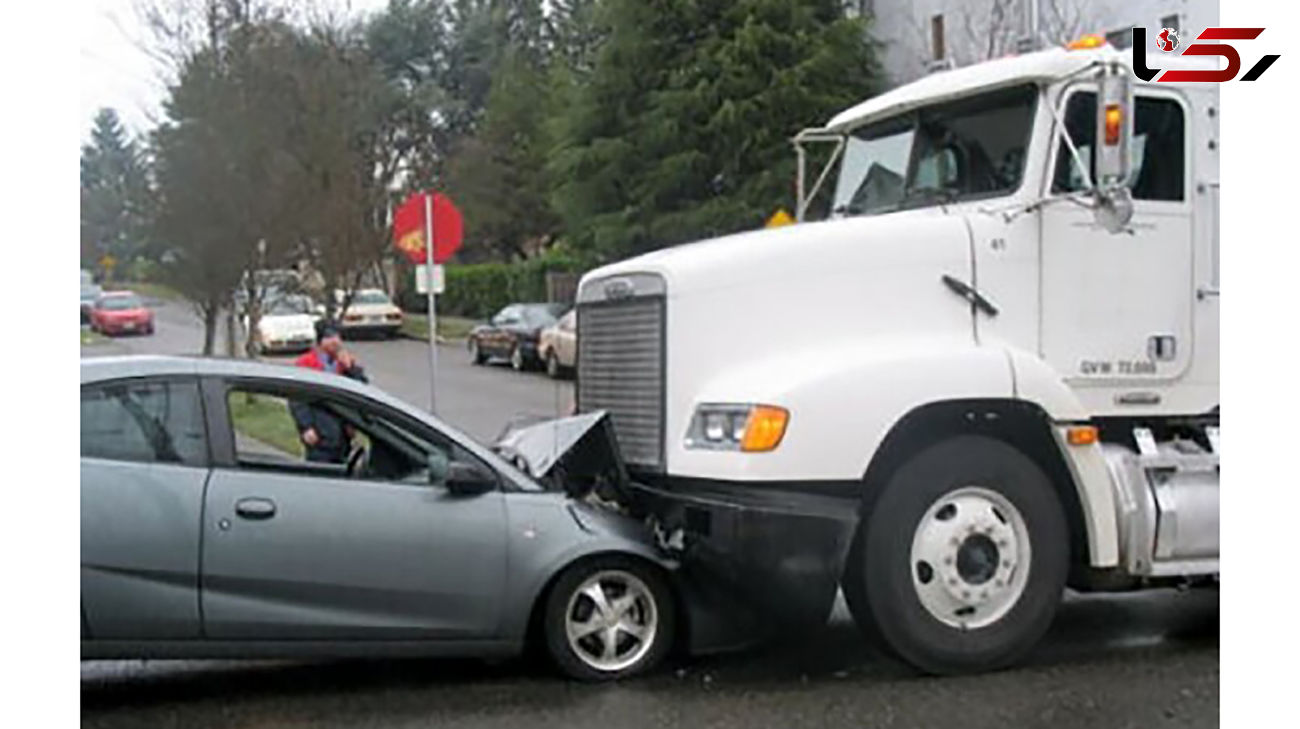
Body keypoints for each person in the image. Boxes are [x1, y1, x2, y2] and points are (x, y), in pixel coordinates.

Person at [289, 324, 369, 463]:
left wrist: (350, 369)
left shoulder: (344, 363)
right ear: (320, 341)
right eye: (330, 337)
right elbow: (297, 398)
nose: (335, 342)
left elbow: (362, 389)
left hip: (342, 434)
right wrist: (306, 426)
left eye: (338, 337)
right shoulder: (306, 363)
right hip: (319, 433)